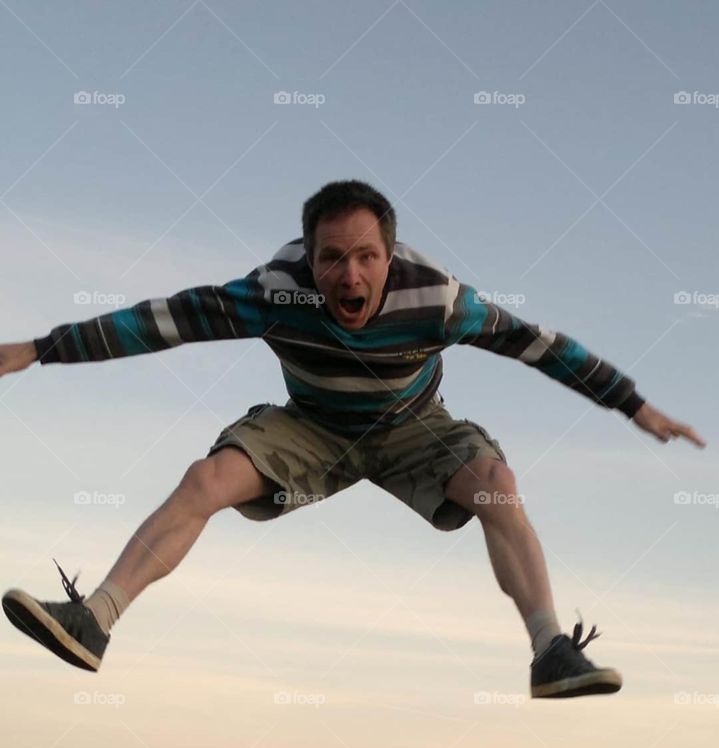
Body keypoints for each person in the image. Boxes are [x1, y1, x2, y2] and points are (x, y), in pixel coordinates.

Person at [0, 179, 705, 698]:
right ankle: (95, 619)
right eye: (331, 258)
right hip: (310, 426)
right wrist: (39, 348)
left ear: (389, 254)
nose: (349, 275)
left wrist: (632, 405)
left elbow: (539, 345)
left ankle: (549, 650)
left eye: (366, 257)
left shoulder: (436, 299)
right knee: (204, 480)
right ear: (308, 257)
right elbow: (163, 320)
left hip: (413, 429)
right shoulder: (274, 290)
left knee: (499, 488)